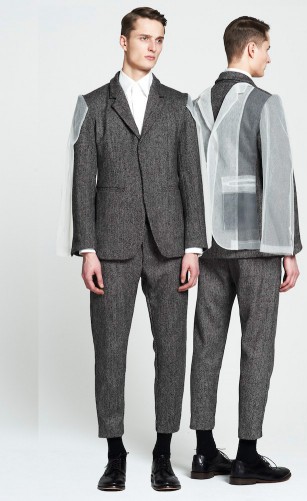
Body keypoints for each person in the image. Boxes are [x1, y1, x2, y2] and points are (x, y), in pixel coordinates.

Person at [57, 7, 207, 492]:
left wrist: (193, 247)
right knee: (109, 351)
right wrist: (87, 249)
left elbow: (191, 179)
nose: (153, 47)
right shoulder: (93, 104)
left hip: (170, 247)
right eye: (144, 38)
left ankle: (163, 453)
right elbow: (83, 182)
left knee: (172, 350)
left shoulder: (179, 105)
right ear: (123, 41)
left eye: (159, 39)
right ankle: (115, 454)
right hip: (111, 248)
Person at [188, 16, 302, 485]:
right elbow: (279, 178)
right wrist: (289, 248)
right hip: (257, 244)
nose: (270, 57)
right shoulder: (264, 102)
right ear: (250, 49)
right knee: (257, 347)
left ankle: (202, 452)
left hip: (208, 245)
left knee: (206, 344)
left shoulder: (194, 105)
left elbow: (187, 178)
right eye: (267, 48)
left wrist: (191, 243)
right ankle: (246, 456)